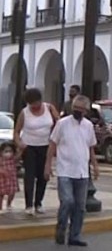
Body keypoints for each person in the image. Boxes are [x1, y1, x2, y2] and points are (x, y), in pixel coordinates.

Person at [45, 94, 99, 246]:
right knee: (67, 201)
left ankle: (74, 236)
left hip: (82, 171)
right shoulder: (62, 124)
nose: (78, 111)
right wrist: (48, 165)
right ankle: (61, 228)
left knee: (80, 207)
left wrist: (95, 166)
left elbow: (91, 147)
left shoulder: (88, 126)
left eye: (81, 109)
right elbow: (52, 144)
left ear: (86, 111)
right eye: (76, 108)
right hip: (65, 170)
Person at [14, 87, 60, 216]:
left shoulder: (49, 108)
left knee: (43, 175)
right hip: (29, 147)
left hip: (45, 146)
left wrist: (55, 140)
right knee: (29, 175)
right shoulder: (24, 113)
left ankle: (38, 202)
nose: (34, 106)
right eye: (31, 104)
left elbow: (59, 123)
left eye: (36, 103)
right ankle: (28, 204)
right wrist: (19, 143)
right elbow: (16, 132)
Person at [0, 141, 19, 211]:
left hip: (11, 179)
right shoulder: (0, 159)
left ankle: (9, 204)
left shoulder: (13, 159)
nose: (8, 153)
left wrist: (22, 149)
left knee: (12, 193)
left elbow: (19, 155)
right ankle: (0, 207)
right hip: (2, 179)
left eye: (10, 151)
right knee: (1, 194)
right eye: (6, 151)